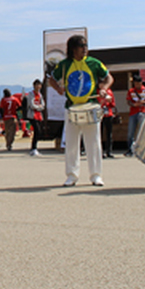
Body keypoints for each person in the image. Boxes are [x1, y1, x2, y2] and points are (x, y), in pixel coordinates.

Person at [47, 35, 113, 187]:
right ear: (72, 49)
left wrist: (103, 88)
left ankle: (96, 175)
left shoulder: (94, 63)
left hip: (91, 105)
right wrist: (58, 89)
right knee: (71, 143)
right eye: (80, 46)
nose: (84, 49)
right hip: (72, 107)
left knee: (94, 142)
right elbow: (51, 78)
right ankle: (72, 175)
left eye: (86, 45)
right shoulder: (64, 65)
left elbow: (109, 77)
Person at [125, 74, 145, 156]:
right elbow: (128, 101)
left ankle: (142, 149)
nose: (137, 85)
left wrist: (142, 103)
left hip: (143, 112)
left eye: (139, 83)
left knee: (142, 131)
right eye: (136, 84)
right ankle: (130, 149)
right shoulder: (131, 91)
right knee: (130, 132)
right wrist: (134, 105)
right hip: (133, 112)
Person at [26, 80, 45, 157]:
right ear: (34, 86)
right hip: (32, 115)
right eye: (37, 85)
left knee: (38, 132)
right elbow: (31, 105)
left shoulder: (40, 95)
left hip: (39, 115)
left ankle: (34, 148)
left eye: (39, 85)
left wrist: (40, 108)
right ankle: (33, 148)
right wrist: (38, 107)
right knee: (37, 130)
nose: (38, 86)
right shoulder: (31, 94)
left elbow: (43, 104)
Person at [99, 86, 116, 158]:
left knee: (109, 134)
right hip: (100, 114)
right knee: (100, 134)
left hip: (108, 114)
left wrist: (110, 101)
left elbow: (113, 104)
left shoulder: (109, 91)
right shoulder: (97, 91)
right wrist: (101, 102)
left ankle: (109, 151)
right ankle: (100, 152)